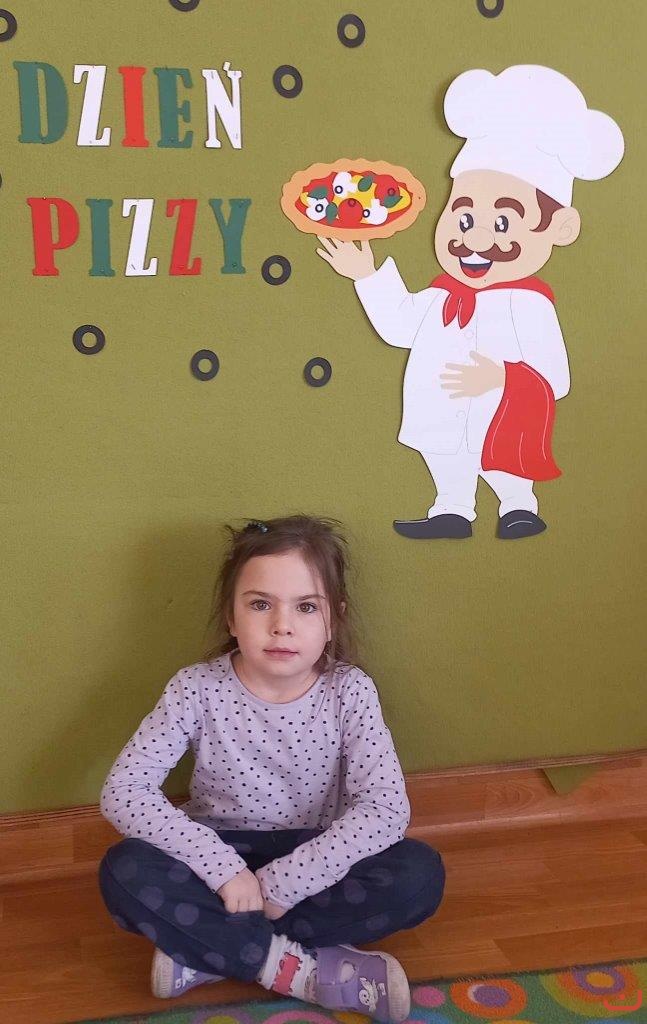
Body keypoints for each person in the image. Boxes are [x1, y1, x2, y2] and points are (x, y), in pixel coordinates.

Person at [98, 515, 446, 1022]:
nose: (282, 625)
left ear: (334, 619)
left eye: (306, 606)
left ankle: (207, 949)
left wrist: (287, 882)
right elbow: (124, 790)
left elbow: (386, 809)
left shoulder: (350, 691)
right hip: (218, 856)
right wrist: (224, 870)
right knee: (124, 870)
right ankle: (296, 969)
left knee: (418, 875)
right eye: (260, 604)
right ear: (230, 616)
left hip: (316, 856)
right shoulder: (195, 688)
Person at [316, 65, 624, 540]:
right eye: (463, 218)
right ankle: (451, 508)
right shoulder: (442, 295)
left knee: (499, 457)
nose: (476, 239)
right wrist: (367, 275)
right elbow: (399, 326)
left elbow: (556, 377)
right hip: (441, 411)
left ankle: (517, 505)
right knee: (446, 454)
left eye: (502, 223)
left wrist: (502, 378)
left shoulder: (531, 306)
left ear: (558, 228)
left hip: (501, 411)